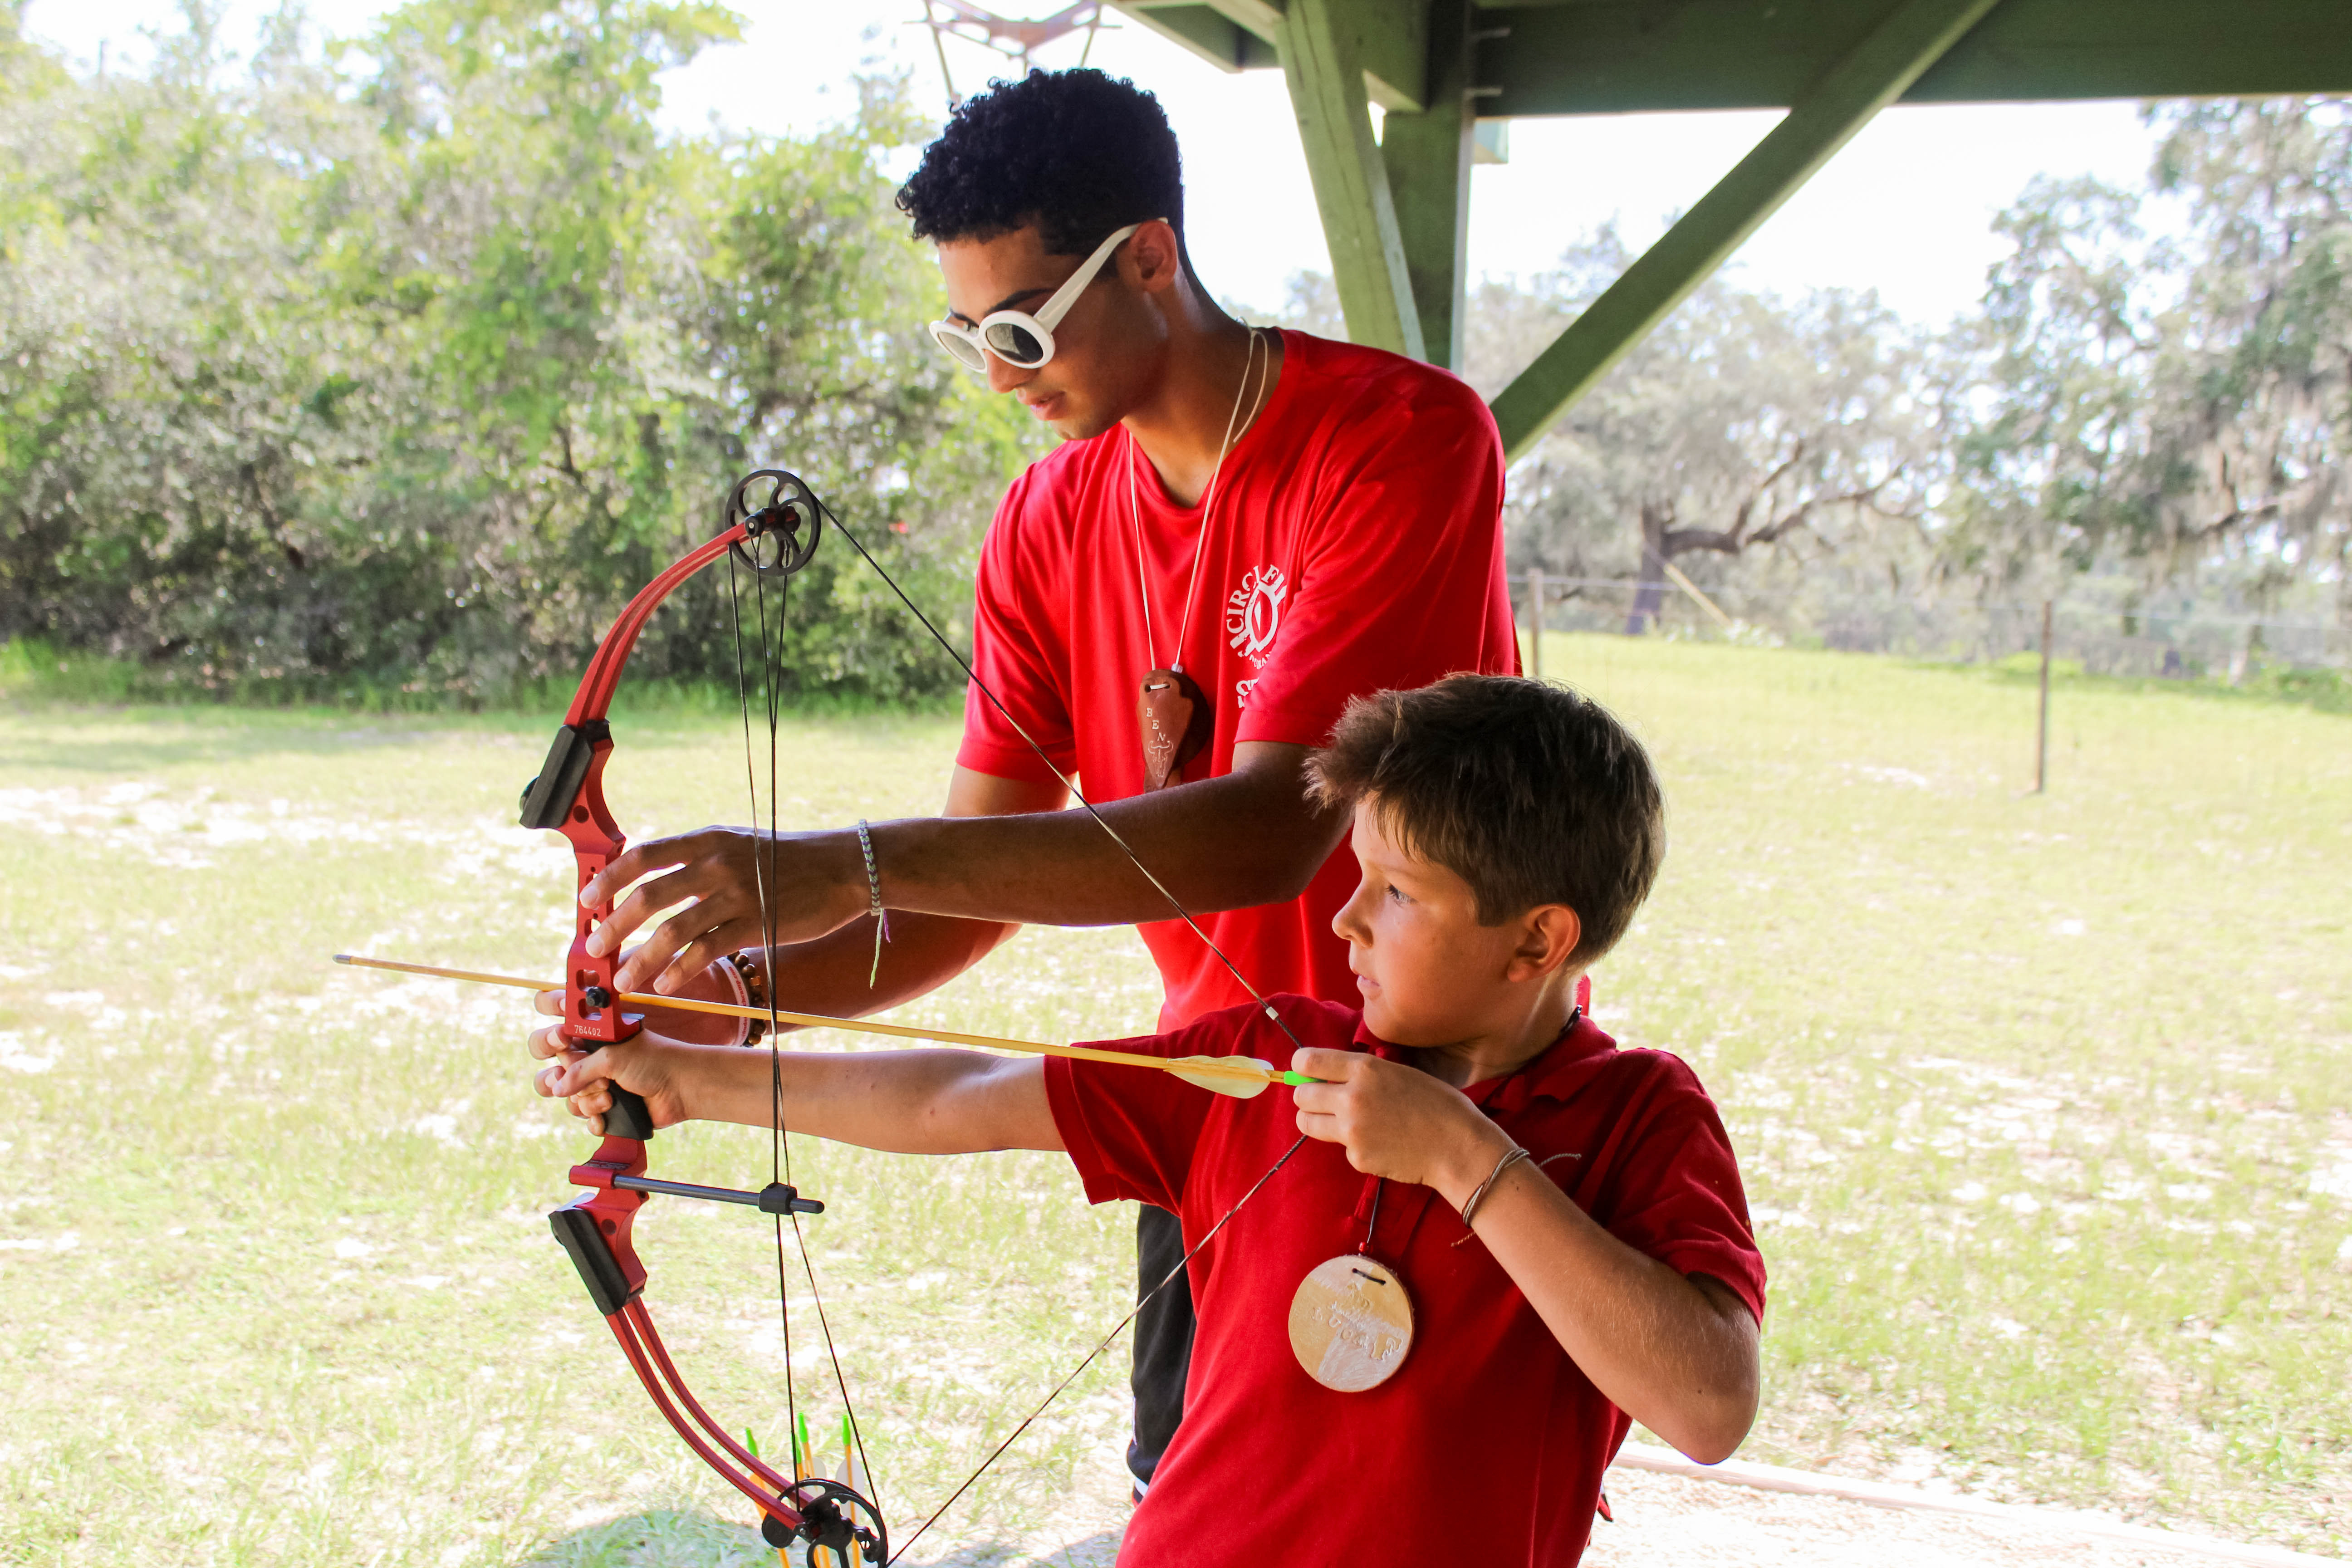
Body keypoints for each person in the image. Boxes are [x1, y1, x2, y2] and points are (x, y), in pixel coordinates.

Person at [558, 69, 1519, 1494]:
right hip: (1211, 1099)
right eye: (970, 337)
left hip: (1444, 1112)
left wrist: (840, 865)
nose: (1000, 376)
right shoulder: (1047, 522)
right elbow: (958, 898)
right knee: (1180, 1507)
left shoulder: (1401, 440)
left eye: (1020, 328)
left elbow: (1273, 835)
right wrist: (716, 995)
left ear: (1148, 259)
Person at [533, 675, 1765, 1565]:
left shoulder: (1638, 1117)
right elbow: (973, 1096)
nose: (1345, 926)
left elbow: (1709, 1406)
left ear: (1538, 941)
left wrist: (1462, 1156)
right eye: (1355, 881)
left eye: (1394, 894)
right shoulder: (1273, 1058)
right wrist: (693, 1079)